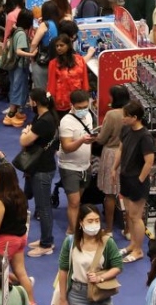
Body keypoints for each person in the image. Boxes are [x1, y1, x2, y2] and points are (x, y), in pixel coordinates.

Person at [57, 204, 124, 305]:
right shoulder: (70, 242)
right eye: (90, 221)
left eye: (97, 220)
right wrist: (62, 299)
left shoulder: (108, 242)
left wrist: (101, 277)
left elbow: (118, 266)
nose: (94, 224)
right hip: (77, 294)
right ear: (81, 222)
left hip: (101, 291)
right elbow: (63, 270)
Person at [21, 89, 60, 258]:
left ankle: (47, 244)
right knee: (41, 205)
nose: (29, 103)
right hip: (39, 167)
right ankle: (45, 238)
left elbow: (24, 140)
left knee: (44, 208)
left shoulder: (44, 121)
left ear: (35, 102)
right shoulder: (43, 117)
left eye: (30, 100)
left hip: (42, 169)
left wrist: (25, 133)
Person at [0, 163, 34, 302]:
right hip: (20, 238)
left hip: (5, 241)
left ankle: (6, 301)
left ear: (2, 179)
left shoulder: (2, 201)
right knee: (21, 272)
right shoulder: (20, 194)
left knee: (0, 274)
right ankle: (31, 301)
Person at [119, 100, 156, 264]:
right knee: (129, 213)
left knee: (136, 216)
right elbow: (121, 149)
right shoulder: (126, 129)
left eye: (125, 116)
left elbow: (149, 161)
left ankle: (139, 250)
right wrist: (114, 168)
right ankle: (132, 244)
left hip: (136, 181)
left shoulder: (145, 136)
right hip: (125, 177)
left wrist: (140, 180)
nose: (123, 118)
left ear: (134, 117)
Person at [58, 90, 96, 235]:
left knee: (78, 201)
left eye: (85, 107)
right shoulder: (66, 122)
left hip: (85, 166)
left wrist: (91, 143)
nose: (83, 110)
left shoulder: (89, 116)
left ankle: (72, 227)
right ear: (72, 105)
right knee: (74, 202)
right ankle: (74, 233)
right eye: (79, 108)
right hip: (70, 167)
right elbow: (67, 148)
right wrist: (81, 141)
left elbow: (89, 139)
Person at [93, 85, 129, 237]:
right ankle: (128, 230)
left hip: (111, 154)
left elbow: (102, 138)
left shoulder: (112, 114)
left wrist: (95, 137)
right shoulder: (132, 112)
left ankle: (108, 229)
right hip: (129, 154)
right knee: (127, 195)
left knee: (110, 194)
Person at [3, 9, 36, 127]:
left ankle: (15, 112)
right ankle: (10, 115)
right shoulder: (22, 34)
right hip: (19, 66)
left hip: (13, 65)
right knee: (18, 88)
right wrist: (31, 54)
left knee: (15, 86)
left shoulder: (16, 30)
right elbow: (19, 51)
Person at [47, 35, 90, 115]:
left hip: (78, 99)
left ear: (68, 45)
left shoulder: (80, 60)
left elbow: (84, 79)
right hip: (62, 102)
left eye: (61, 45)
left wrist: (85, 96)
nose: (58, 48)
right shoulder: (53, 63)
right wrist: (51, 100)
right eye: (57, 46)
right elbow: (51, 84)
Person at [30, 0, 60, 89]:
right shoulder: (57, 24)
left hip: (42, 62)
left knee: (40, 90)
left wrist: (30, 54)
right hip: (54, 60)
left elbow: (34, 43)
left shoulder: (45, 24)